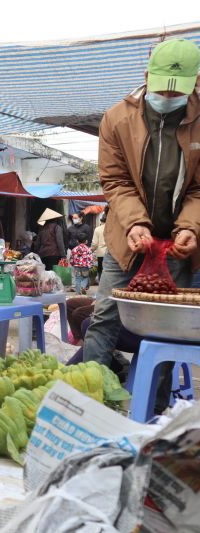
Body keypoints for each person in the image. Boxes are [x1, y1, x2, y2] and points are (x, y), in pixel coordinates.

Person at [83, 39, 200, 413]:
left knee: (165, 329)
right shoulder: (117, 118)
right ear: (147, 75)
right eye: (161, 86)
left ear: (195, 82)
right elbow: (115, 181)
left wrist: (190, 228)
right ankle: (88, 402)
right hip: (126, 238)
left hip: (179, 244)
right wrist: (135, 223)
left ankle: (155, 409)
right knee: (104, 317)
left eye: (177, 91)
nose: (168, 95)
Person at [91, 208, 107, 279]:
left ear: (101, 220)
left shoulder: (97, 229)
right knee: (108, 269)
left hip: (100, 253)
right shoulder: (112, 228)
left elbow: (95, 243)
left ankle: (101, 283)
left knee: (100, 269)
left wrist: (91, 250)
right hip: (110, 253)